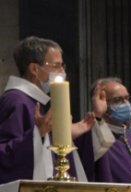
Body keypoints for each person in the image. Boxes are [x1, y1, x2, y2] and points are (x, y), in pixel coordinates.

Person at [0, 36, 95, 182]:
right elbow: (5, 155)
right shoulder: (17, 100)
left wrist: (63, 134)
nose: (62, 71)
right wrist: (38, 133)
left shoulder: (35, 101)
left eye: (63, 66)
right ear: (34, 69)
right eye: (57, 65)